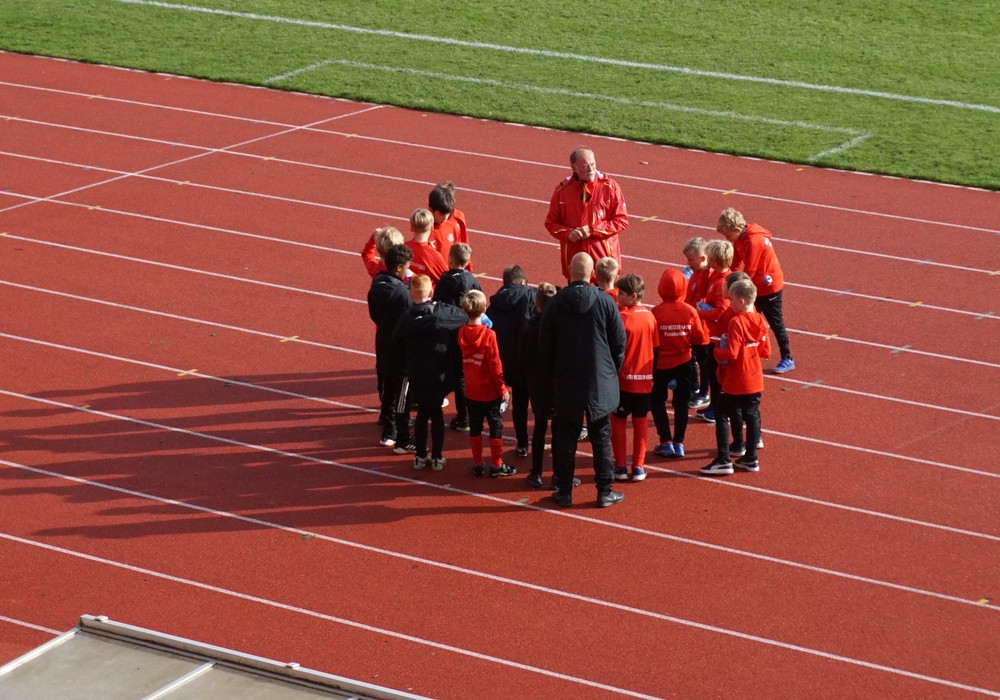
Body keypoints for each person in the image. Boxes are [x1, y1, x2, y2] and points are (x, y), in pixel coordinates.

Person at [538, 253, 626, 508]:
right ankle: (604, 491)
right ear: (592, 274)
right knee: (601, 436)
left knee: (565, 437)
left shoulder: (555, 304)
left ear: (569, 271)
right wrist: (610, 371)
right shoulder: (606, 302)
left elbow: (545, 347)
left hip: (567, 380)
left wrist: (553, 377)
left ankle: (564, 491)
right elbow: (619, 343)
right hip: (600, 381)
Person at [392, 274, 468, 472]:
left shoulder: (407, 316)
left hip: (417, 372)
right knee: (436, 414)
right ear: (431, 292)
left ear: (411, 294)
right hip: (438, 373)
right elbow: (462, 316)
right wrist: (438, 307)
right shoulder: (440, 315)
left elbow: (396, 338)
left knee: (422, 414)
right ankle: (437, 457)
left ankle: (420, 456)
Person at [700, 278, 772, 475]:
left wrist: (717, 352)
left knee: (722, 413)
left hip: (736, 377)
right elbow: (766, 351)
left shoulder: (736, 322)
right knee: (752, 415)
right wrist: (750, 349)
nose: (729, 303)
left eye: (731, 299)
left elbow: (731, 353)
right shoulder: (760, 320)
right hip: (755, 378)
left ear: (741, 301)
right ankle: (751, 457)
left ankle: (723, 459)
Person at [716, 207, 794, 374]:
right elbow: (736, 264)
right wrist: (726, 277)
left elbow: (749, 270)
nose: (727, 239)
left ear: (737, 230)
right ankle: (749, 354)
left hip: (769, 287)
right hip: (754, 286)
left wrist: (733, 288)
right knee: (747, 319)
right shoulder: (740, 239)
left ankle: (787, 357)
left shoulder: (753, 241)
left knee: (775, 322)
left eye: (728, 236)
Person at [544, 147, 629, 282]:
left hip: (604, 266)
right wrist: (568, 234)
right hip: (576, 265)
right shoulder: (562, 190)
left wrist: (593, 229)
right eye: (585, 166)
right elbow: (551, 223)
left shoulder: (610, 187)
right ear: (574, 167)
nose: (591, 169)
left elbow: (621, 221)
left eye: (593, 164)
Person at [650, 267, 708, 459]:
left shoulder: (656, 312)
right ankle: (679, 442)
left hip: (660, 365)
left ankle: (665, 441)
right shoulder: (690, 311)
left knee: (657, 401)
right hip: (684, 363)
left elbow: (650, 339)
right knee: (681, 404)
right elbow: (700, 339)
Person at [459, 290, 517, 478]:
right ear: (484, 309)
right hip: (490, 391)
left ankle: (478, 463)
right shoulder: (489, 335)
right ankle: (497, 464)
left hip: (471, 390)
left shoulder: (461, 333)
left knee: (475, 427)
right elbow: (495, 364)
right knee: (495, 426)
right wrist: (502, 388)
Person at [366, 244, 415, 450]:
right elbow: (410, 320)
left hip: (383, 342)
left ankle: (388, 431)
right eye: (407, 266)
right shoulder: (403, 293)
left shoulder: (376, 284)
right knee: (402, 394)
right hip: (401, 348)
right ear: (399, 267)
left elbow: (374, 314)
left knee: (387, 390)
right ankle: (402, 435)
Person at [610, 273, 658, 482]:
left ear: (633, 296)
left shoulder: (622, 318)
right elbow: (655, 349)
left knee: (618, 422)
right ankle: (638, 466)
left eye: (621, 293)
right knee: (640, 423)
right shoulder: (650, 317)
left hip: (623, 381)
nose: (618, 296)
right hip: (644, 382)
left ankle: (620, 465)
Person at [432, 243, 482, 432]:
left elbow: (436, 304)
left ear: (450, 260)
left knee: (441, 371)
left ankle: (433, 408)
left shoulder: (443, 281)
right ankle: (464, 417)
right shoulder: (472, 281)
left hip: (445, 334)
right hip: (465, 332)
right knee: (462, 375)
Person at [486, 264, 535, 458]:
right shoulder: (529, 296)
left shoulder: (494, 304)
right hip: (529, 361)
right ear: (523, 282)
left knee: (519, 405)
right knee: (540, 405)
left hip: (506, 363)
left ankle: (522, 444)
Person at [521, 282, 563, 488]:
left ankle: (536, 472)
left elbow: (523, 355)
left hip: (537, 383)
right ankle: (557, 476)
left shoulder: (529, 326)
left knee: (539, 427)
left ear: (536, 303)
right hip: (555, 383)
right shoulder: (558, 327)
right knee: (558, 429)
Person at [682, 237, 712, 408]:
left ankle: (704, 393)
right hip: (693, 324)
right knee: (691, 357)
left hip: (703, 329)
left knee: (703, 362)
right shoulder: (696, 273)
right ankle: (694, 387)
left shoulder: (708, 276)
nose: (688, 263)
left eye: (691, 259)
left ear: (702, 258)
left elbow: (702, 301)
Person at [428, 181, 471, 269]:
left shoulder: (456, 221)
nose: (445, 217)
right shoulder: (425, 226)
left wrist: (468, 269)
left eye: (447, 213)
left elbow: (464, 244)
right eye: (442, 214)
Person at [405, 208, 448, 284]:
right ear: (432, 227)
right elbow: (449, 280)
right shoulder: (435, 256)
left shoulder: (402, 249)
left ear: (411, 228)